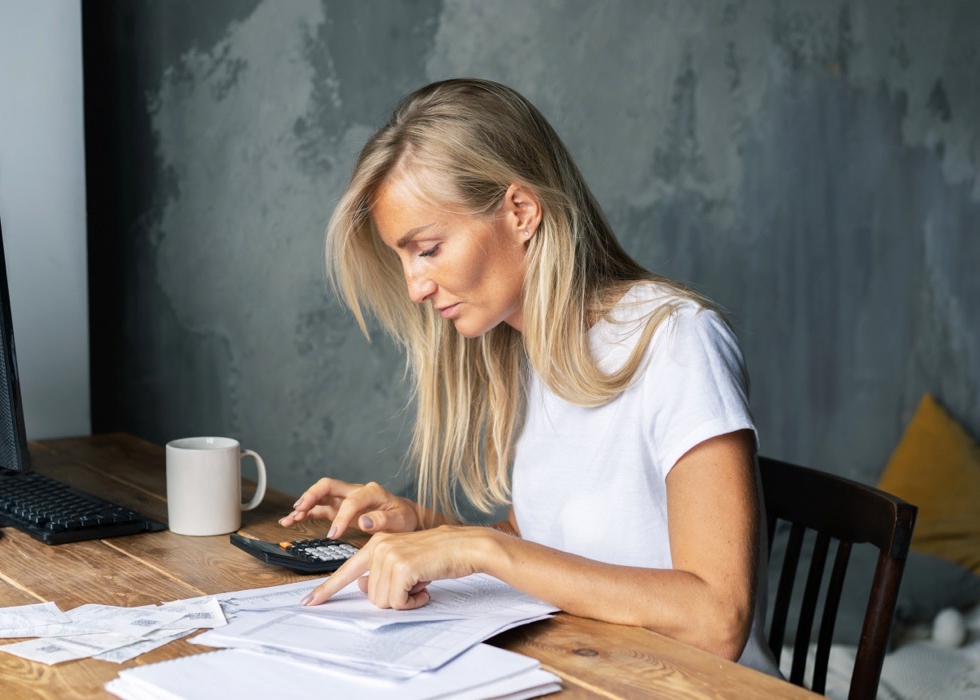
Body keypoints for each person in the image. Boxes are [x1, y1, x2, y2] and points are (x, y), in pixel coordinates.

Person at [279, 78, 779, 675]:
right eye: (402, 258)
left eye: (428, 248)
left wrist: (478, 547)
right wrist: (428, 530)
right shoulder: (521, 346)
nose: (414, 287)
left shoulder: (677, 340)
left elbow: (717, 621)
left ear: (520, 211)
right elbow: (551, 539)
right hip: (587, 673)